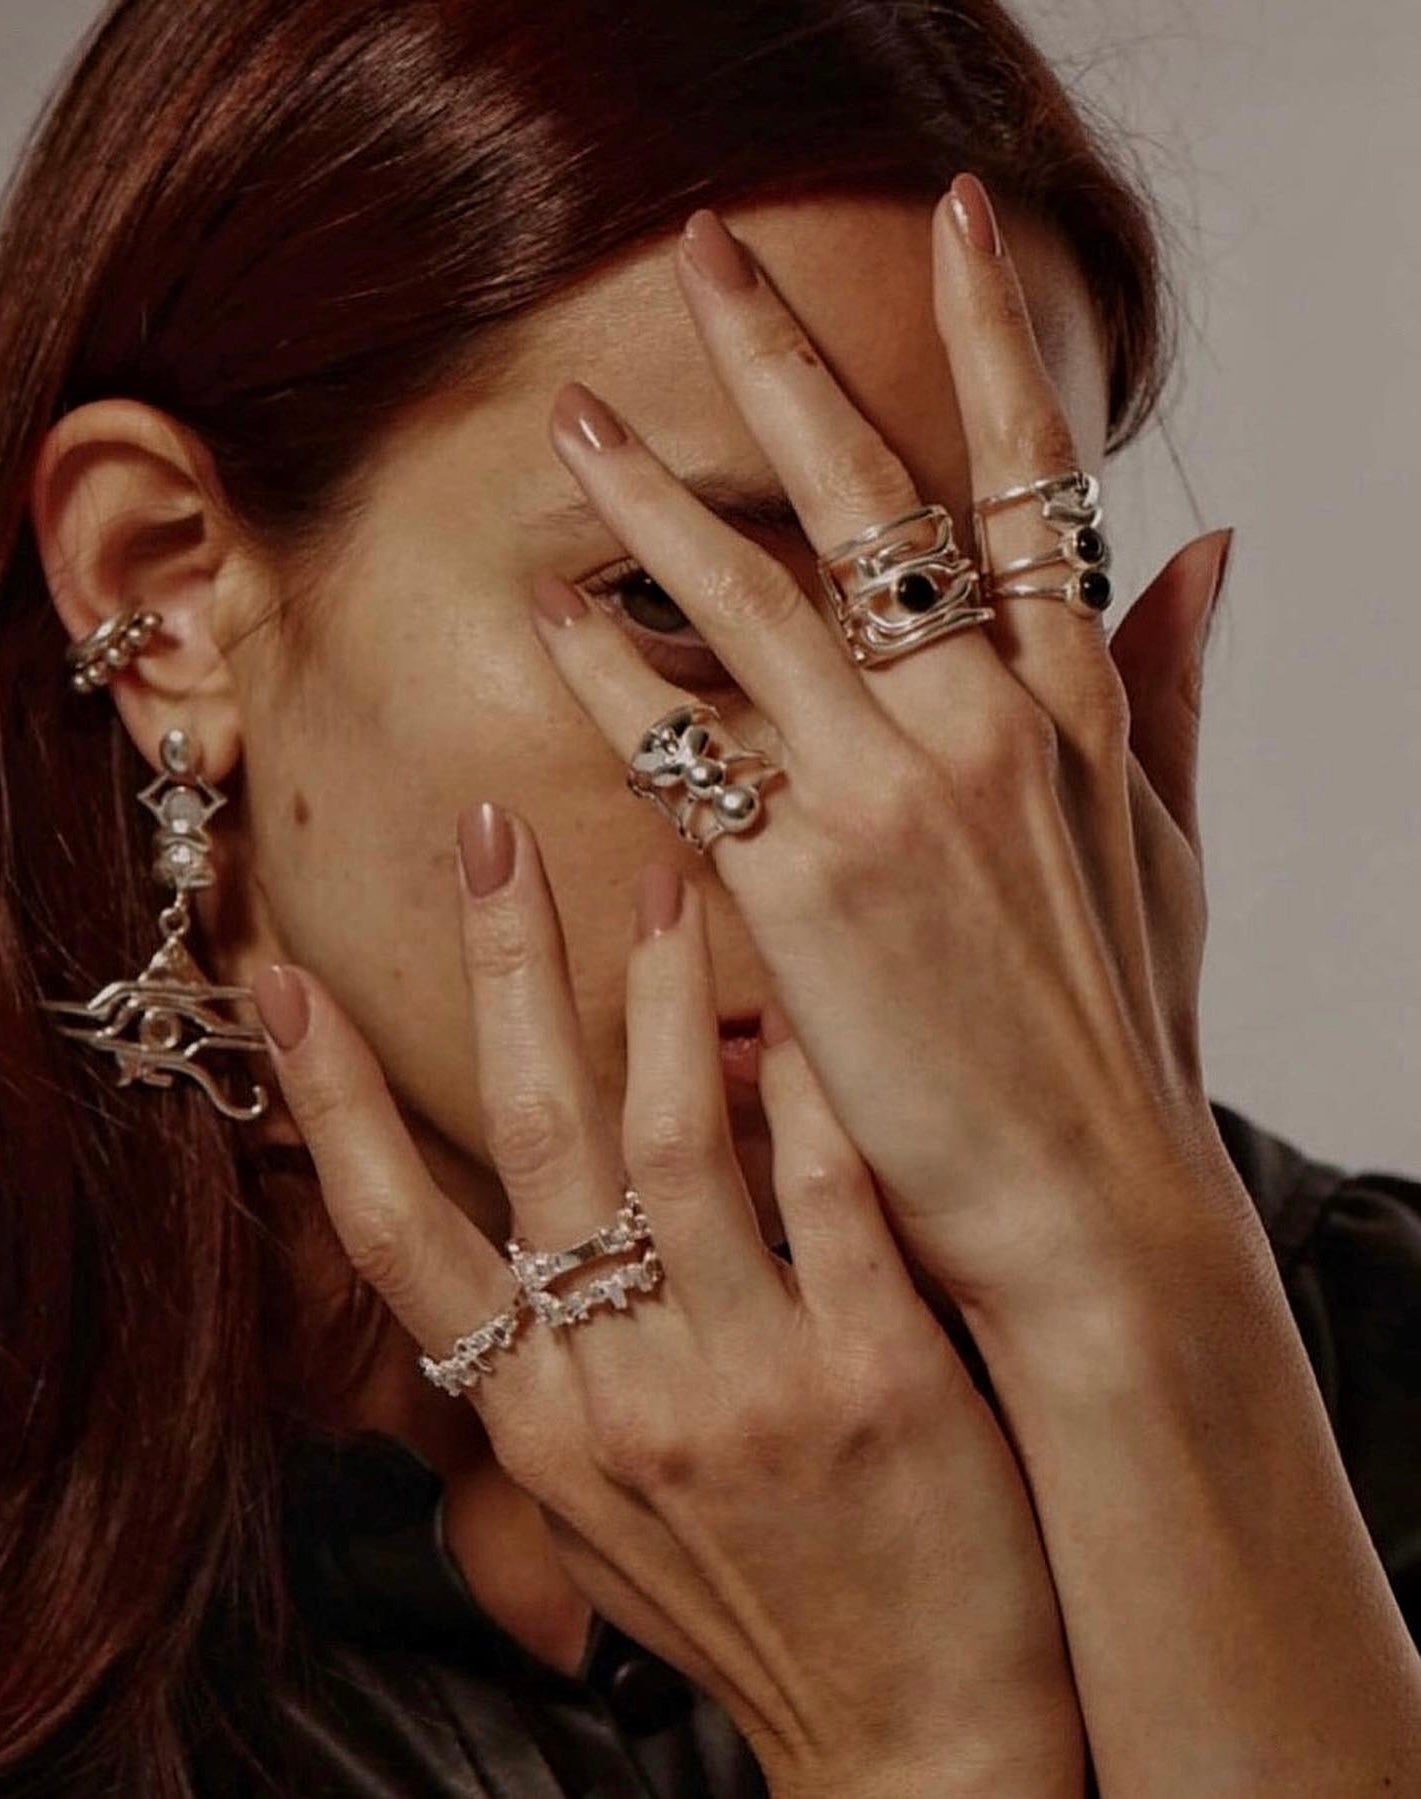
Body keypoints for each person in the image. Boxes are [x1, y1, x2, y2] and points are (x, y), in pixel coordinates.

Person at [1, 0, 1417, 1793]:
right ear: (163, 592)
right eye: (678, 604)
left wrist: (1128, 1302)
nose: (914, 812)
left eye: (997, 621)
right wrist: (931, 1749)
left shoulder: (1356, 1358)